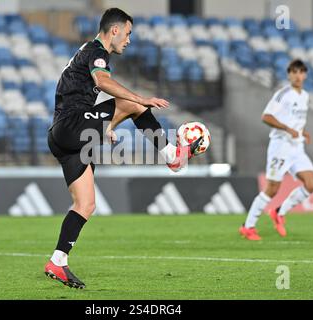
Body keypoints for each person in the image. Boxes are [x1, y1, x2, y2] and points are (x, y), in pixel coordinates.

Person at [44, 8, 203, 288]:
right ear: (114, 30)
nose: (129, 40)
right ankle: (174, 158)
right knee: (133, 104)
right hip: (70, 126)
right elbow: (102, 82)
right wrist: (139, 98)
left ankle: (57, 262)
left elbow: (80, 97)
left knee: (86, 204)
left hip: (62, 135)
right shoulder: (97, 51)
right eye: (128, 33)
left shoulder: (87, 51)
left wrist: (106, 125)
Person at [239, 59, 313, 241]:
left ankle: (279, 212)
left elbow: (295, 120)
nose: (298, 76)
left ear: (305, 75)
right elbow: (266, 116)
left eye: (301, 72)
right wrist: (286, 128)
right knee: (272, 189)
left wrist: (302, 131)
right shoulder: (283, 94)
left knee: (311, 184)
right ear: (289, 74)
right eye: (294, 72)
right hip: (281, 146)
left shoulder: (305, 96)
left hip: (297, 146)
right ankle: (247, 226)